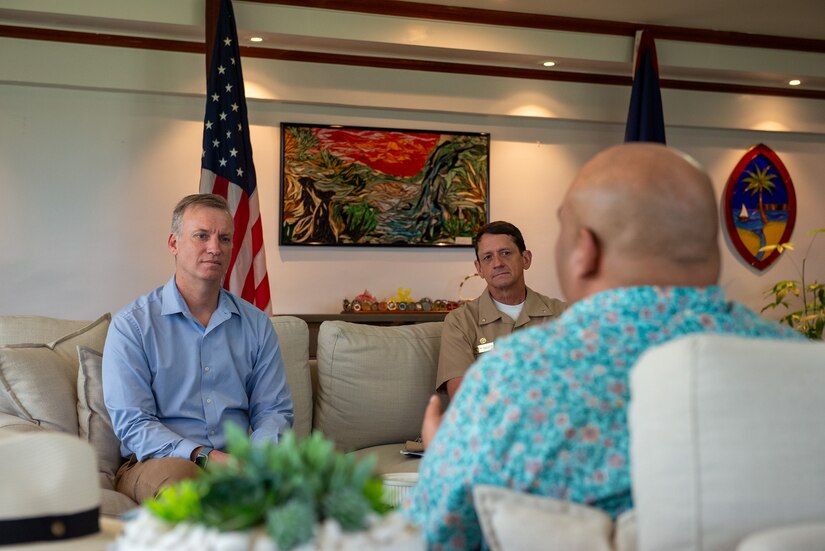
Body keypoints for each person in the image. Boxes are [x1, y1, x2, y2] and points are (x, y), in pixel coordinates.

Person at [404, 143, 804, 550]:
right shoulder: (802, 365)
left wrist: (447, 463)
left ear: (584, 251)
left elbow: (435, 538)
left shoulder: (509, 379)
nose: (497, 263)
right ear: (709, 245)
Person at [103, 193, 293, 503]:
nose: (215, 248)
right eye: (201, 236)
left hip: (238, 462)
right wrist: (205, 457)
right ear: (173, 243)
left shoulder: (257, 324)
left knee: (316, 480)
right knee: (188, 485)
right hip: (159, 462)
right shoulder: (132, 326)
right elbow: (134, 424)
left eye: (224, 238)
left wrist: (257, 461)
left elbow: (273, 410)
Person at [436, 221, 566, 398]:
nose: (497, 263)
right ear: (479, 268)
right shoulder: (460, 322)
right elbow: (463, 397)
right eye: (488, 257)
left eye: (505, 253)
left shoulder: (563, 315)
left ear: (526, 259)